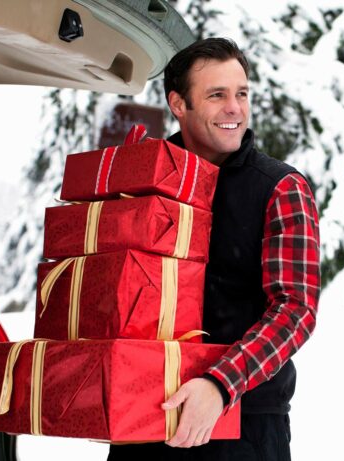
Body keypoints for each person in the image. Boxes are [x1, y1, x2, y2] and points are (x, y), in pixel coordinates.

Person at [107, 38, 320, 460]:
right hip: (145, 419)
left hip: (241, 426)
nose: (234, 108)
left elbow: (295, 309)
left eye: (241, 94)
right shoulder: (143, 183)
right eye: (217, 94)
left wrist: (221, 385)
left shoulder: (279, 188)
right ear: (178, 103)